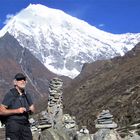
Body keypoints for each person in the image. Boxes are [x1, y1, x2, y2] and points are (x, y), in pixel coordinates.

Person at [0, 73, 35, 140]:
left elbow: (32, 109)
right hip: (13, 126)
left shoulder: (27, 94)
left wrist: (31, 109)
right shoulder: (10, 94)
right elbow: (1, 111)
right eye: (20, 79)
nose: (22, 81)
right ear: (15, 82)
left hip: (25, 125)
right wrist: (17, 111)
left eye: (24, 79)